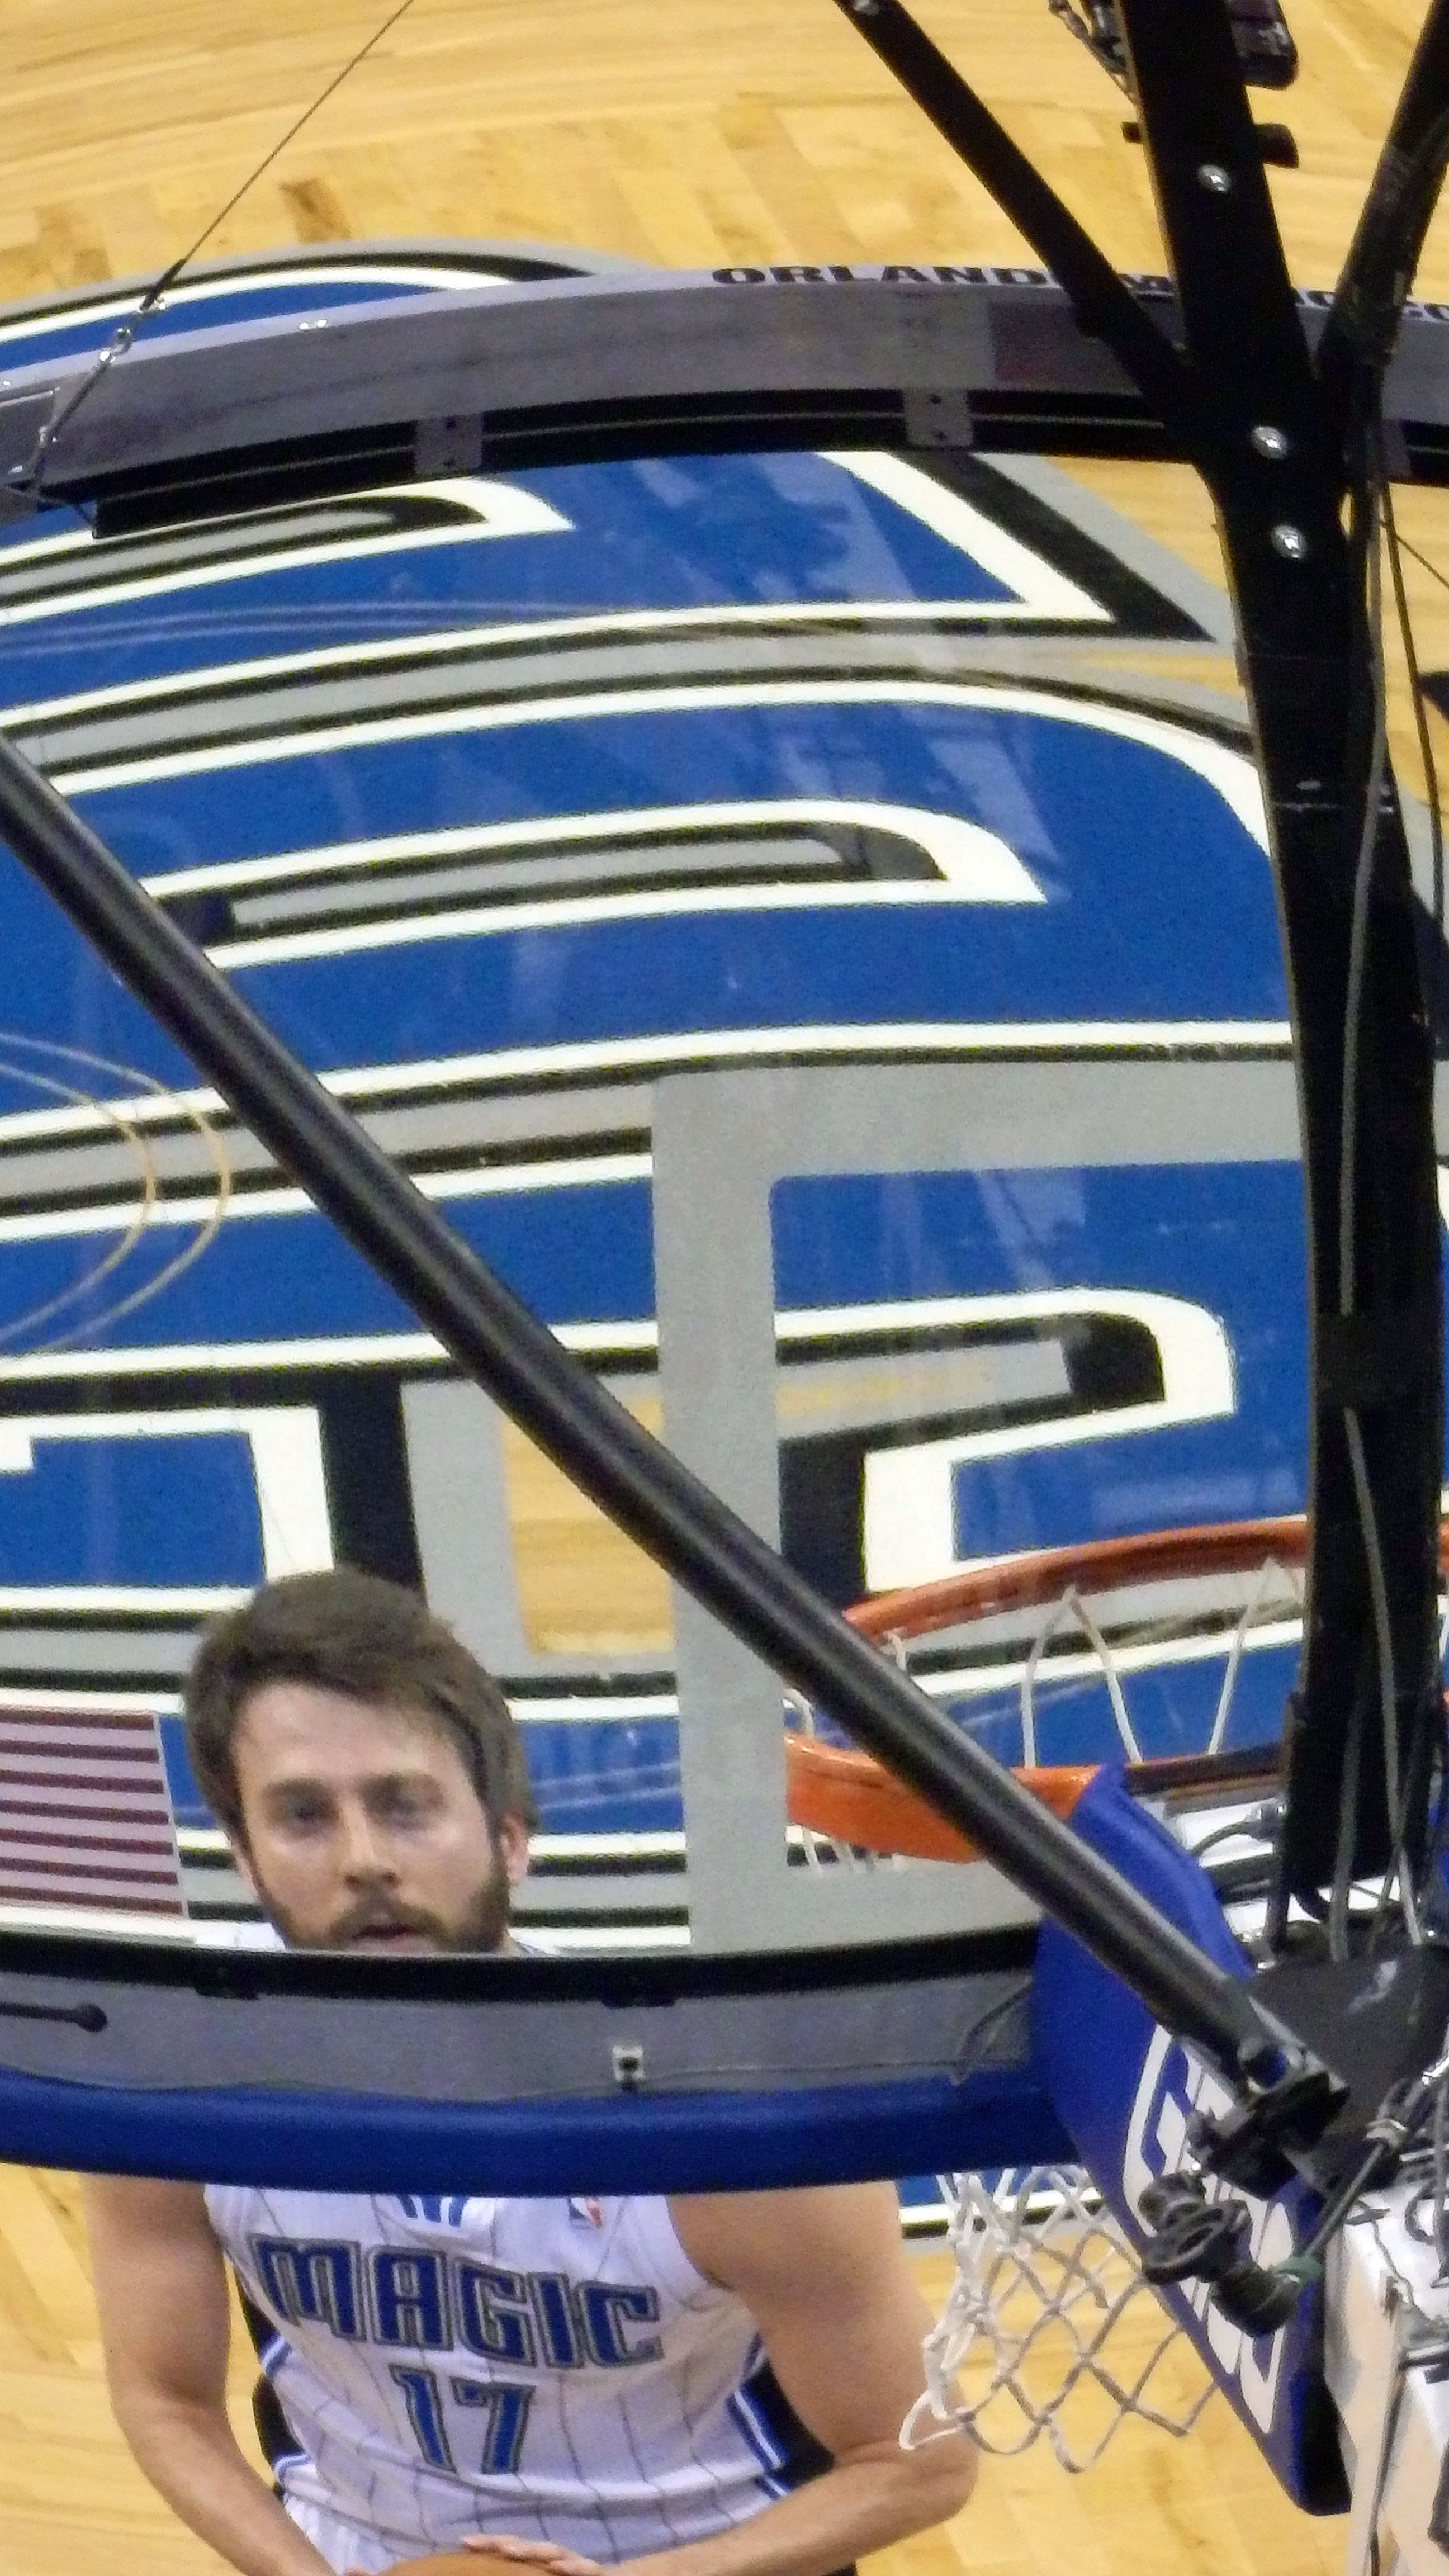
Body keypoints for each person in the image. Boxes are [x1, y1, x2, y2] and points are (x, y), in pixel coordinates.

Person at [82, 1569, 978, 2576]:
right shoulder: (169, 2087)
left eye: (405, 1806)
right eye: (303, 1816)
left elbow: (918, 2465)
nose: (363, 1859)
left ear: (509, 1841)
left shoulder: (723, 2125)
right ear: (245, 1859)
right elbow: (165, 2402)